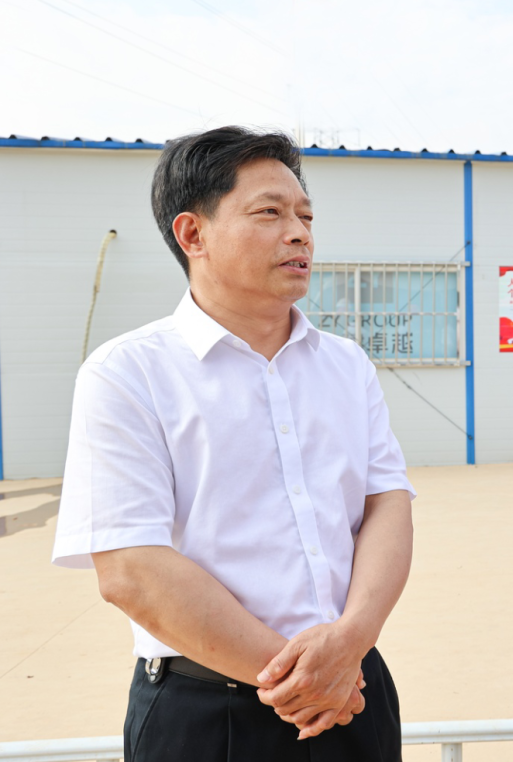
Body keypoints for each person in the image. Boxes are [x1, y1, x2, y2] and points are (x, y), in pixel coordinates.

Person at [52, 126, 415, 762]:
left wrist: (351, 641)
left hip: (354, 688)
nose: (299, 233)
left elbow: (386, 502)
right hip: (207, 713)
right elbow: (131, 569)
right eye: (270, 213)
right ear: (192, 234)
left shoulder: (347, 365)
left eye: (305, 216)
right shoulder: (127, 373)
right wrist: (306, 681)